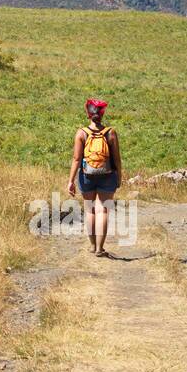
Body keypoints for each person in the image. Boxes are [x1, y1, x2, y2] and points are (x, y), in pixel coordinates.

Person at [66, 98, 122, 257]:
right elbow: (117, 158)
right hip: (108, 174)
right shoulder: (110, 132)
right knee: (103, 211)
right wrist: (119, 176)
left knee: (90, 210)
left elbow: (76, 159)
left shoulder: (81, 133)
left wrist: (71, 181)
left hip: (86, 176)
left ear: (88, 113)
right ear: (102, 114)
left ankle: (92, 245)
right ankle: (99, 249)